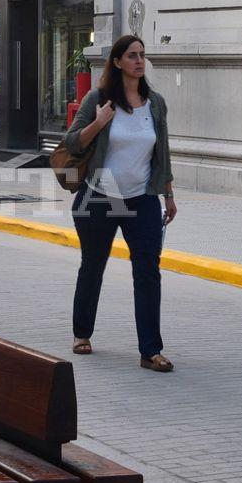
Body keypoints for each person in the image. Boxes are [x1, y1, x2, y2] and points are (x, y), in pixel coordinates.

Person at [62, 35, 176, 371]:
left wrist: (168, 194)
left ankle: (150, 351)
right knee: (93, 267)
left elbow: (163, 152)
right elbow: (71, 141)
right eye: (132, 56)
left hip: (142, 198)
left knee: (148, 272)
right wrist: (98, 123)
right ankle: (82, 332)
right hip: (99, 197)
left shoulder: (154, 103)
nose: (139, 61)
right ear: (117, 62)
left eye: (142, 55)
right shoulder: (98, 99)